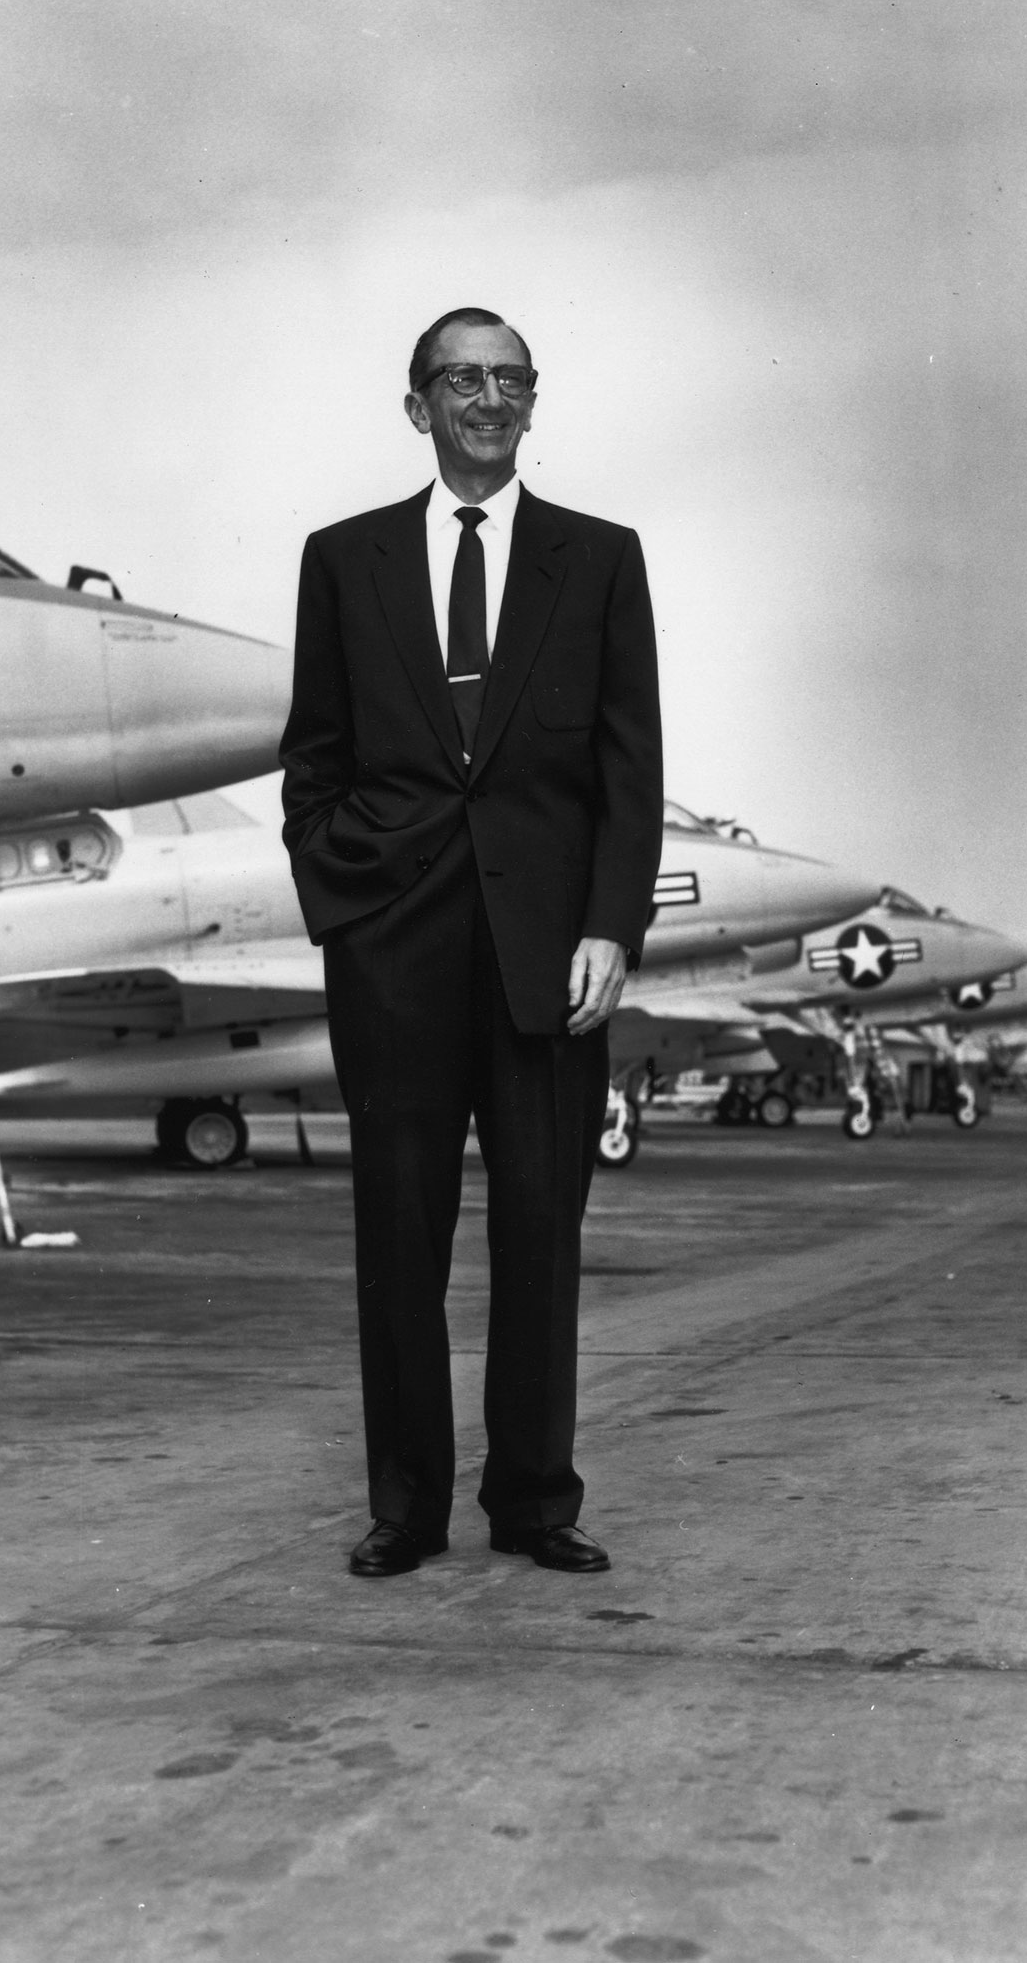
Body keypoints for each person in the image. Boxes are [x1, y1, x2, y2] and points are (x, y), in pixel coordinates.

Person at [280, 306, 663, 1576]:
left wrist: (611, 924)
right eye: (461, 380)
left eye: (509, 380)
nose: (487, 399)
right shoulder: (343, 561)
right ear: (418, 406)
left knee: (542, 1233)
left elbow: (628, 769)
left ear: (533, 402)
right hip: (393, 959)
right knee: (399, 1237)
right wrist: (349, 907)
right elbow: (314, 764)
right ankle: (407, 1508)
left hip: (547, 961)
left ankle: (534, 1504)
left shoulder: (600, 559)